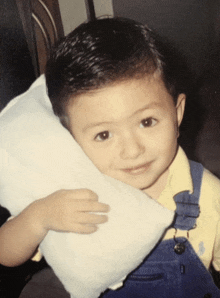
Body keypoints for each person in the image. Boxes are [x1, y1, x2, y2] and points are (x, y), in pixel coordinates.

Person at [0, 17, 220, 297]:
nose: (132, 150)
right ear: (71, 139)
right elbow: (5, 254)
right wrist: (37, 218)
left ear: (177, 114)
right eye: (104, 135)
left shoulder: (207, 196)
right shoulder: (71, 192)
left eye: (147, 122)